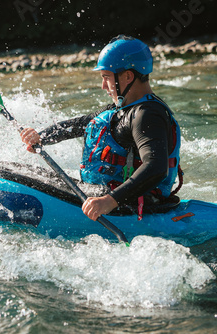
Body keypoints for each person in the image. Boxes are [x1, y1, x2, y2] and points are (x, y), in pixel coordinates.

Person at [20, 35, 182, 222]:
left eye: (106, 77)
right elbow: (80, 124)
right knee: (24, 172)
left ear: (128, 76)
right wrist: (41, 137)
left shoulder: (147, 115)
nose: (103, 86)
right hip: (109, 195)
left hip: (132, 205)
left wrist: (109, 201)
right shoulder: (121, 108)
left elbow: (156, 166)